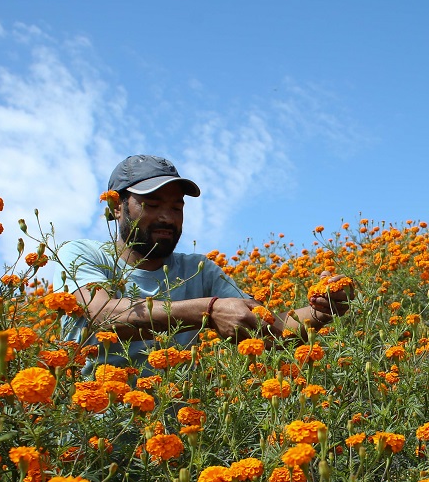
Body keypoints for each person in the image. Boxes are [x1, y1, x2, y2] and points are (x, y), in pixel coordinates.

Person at [57, 154, 348, 369]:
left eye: (176, 207)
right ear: (117, 208)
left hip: (177, 442)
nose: (167, 217)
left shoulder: (198, 271)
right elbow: (103, 316)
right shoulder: (82, 253)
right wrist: (208, 310)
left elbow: (269, 329)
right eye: (153, 204)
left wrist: (322, 310)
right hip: (90, 443)